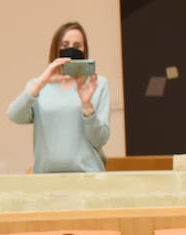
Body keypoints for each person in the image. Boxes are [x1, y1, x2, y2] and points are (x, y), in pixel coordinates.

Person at [7, 21, 110, 173]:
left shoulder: (98, 84)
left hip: (88, 176)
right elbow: (14, 115)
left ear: (84, 49)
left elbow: (100, 139)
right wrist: (41, 82)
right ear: (56, 49)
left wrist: (87, 106)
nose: (70, 49)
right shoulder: (40, 86)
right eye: (65, 44)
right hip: (46, 178)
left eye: (77, 46)